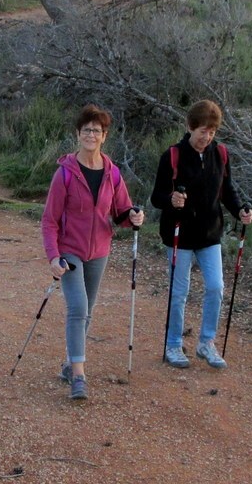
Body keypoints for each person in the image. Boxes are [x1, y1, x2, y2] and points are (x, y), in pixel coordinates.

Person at [41, 104, 145, 400]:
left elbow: (122, 211)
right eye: (86, 130)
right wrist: (53, 256)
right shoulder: (64, 174)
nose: (91, 135)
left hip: (99, 251)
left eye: (96, 131)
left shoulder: (112, 174)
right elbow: (49, 220)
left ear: (104, 136)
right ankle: (78, 376)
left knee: (88, 312)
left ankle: (68, 363)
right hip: (70, 251)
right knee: (78, 309)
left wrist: (134, 216)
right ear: (78, 134)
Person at [149, 99, 252, 369]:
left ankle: (206, 343)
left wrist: (240, 210)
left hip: (210, 234)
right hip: (178, 235)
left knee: (216, 287)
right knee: (179, 292)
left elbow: (227, 190)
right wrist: (171, 199)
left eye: (212, 132)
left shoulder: (220, 154)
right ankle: (173, 344)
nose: (206, 137)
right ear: (189, 127)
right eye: (202, 131)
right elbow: (156, 197)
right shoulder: (172, 155)